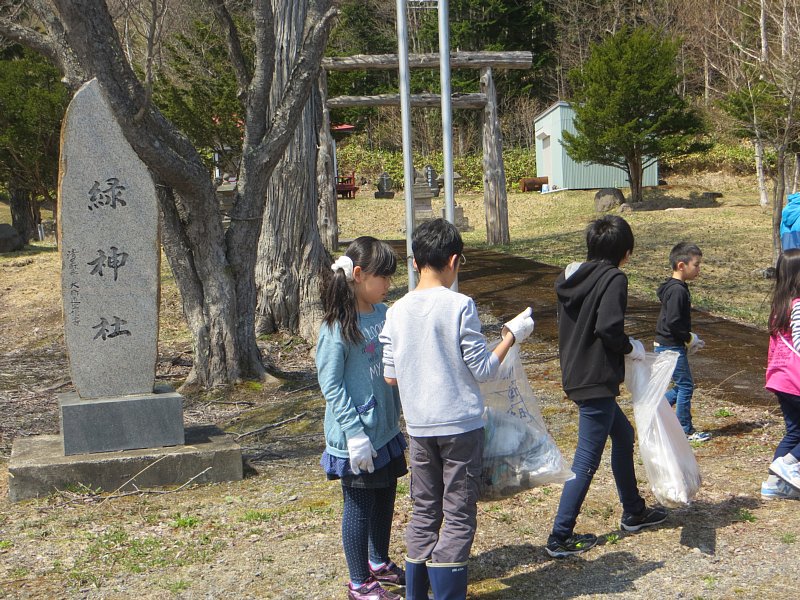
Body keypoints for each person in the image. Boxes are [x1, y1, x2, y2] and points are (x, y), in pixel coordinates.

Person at [379, 218, 534, 599]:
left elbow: (390, 377)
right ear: (454, 261)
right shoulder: (460, 305)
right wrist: (510, 338)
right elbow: (483, 370)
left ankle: (417, 593)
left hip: (419, 427)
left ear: (415, 263)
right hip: (460, 427)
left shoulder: (394, 311)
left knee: (424, 509)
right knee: (459, 511)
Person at [546, 215, 666, 559]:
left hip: (577, 372)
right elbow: (608, 329)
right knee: (586, 458)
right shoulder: (614, 278)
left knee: (624, 435)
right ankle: (560, 536)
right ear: (625, 252)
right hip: (596, 377)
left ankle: (634, 511)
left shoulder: (570, 277)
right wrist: (632, 348)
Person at [316, 237, 408, 600]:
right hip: (356, 437)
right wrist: (354, 433)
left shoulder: (384, 315)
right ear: (358, 274)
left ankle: (378, 561)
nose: (388, 284)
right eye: (382, 276)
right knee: (358, 506)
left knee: (385, 496)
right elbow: (331, 385)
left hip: (384, 430)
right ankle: (359, 582)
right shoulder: (337, 326)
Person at [653, 242, 710, 442]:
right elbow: (674, 322)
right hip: (670, 346)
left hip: (668, 344)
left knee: (682, 385)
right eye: (696, 265)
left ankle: (656, 410)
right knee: (686, 386)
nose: (699, 269)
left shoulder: (675, 287)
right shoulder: (677, 290)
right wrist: (689, 338)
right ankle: (685, 430)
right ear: (681, 265)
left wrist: (687, 339)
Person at [762, 248, 800, 500]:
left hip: (780, 379)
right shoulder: (798, 306)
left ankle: (774, 484)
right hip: (796, 381)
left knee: (795, 431)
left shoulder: (779, 306)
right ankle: (788, 463)